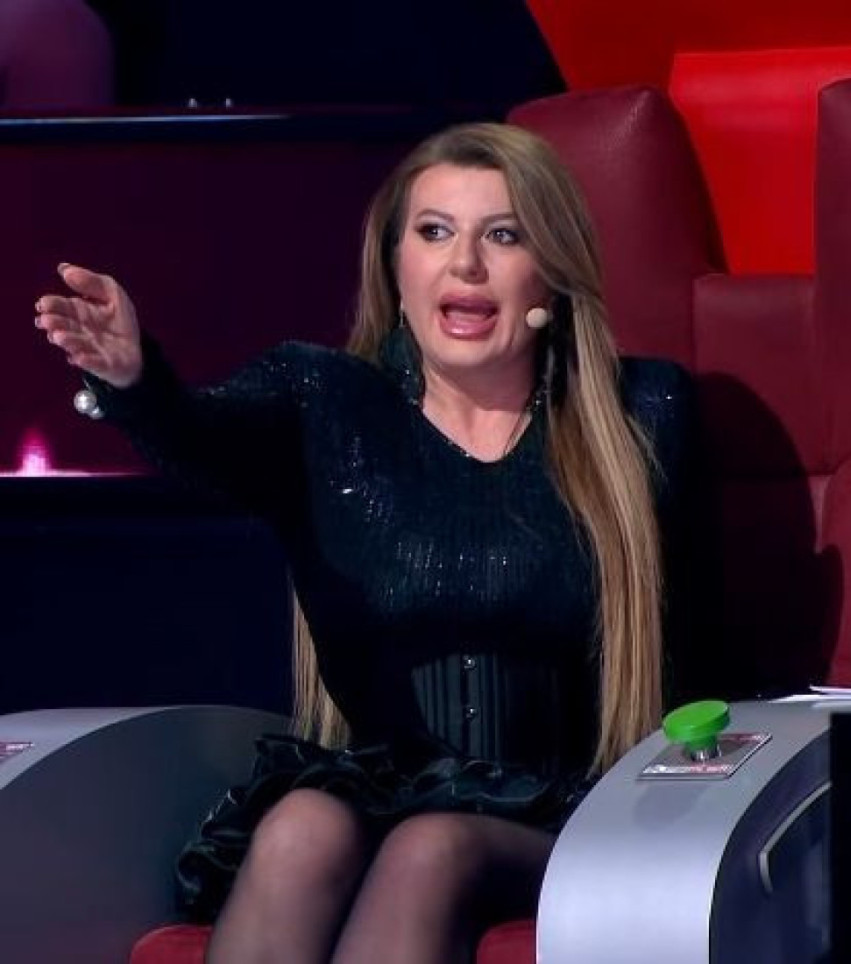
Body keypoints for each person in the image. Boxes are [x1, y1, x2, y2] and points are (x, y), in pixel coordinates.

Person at [34, 122, 691, 964]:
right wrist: (135, 381)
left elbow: (694, 636)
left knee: (432, 847)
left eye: (503, 235)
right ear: (396, 267)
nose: (465, 264)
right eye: (435, 232)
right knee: (302, 825)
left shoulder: (642, 413)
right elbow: (203, 435)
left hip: (569, 811)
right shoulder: (327, 403)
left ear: (553, 273)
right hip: (383, 792)